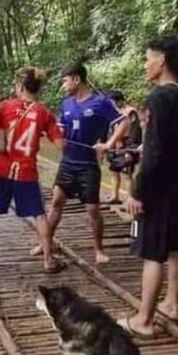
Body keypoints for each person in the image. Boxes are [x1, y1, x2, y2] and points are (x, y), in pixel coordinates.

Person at [119, 36, 178, 338]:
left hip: (159, 187)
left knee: (153, 252)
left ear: (161, 60)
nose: (145, 63)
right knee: (176, 247)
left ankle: (144, 320)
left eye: (147, 58)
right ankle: (172, 304)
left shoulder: (158, 98)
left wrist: (137, 191)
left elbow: (153, 151)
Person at [0, 67, 66, 273]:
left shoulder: (5, 106)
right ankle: (48, 260)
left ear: (20, 86)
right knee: (39, 214)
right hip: (26, 171)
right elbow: (61, 145)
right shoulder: (44, 113)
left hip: (2, 169)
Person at [43, 63, 129, 264]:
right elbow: (61, 131)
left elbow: (124, 122)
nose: (63, 85)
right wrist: (56, 138)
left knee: (93, 210)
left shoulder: (101, 103)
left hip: (88, 165)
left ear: (76, 79)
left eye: (65, 81)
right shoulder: (65, 104)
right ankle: (45, 242)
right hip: (67, 163)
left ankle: (98, 249)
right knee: (56, 202)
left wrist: (108, 143)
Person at [105, 90, 141, 205]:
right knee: (114, 171)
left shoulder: (130, 113)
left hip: (127, 145)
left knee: (127, 174)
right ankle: (114, 195)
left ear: (120, 101)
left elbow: (135, 132)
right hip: (115, 145)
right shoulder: (113, 113)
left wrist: (130, 150)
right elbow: (110, 130)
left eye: (113, 102)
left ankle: (130, 199)